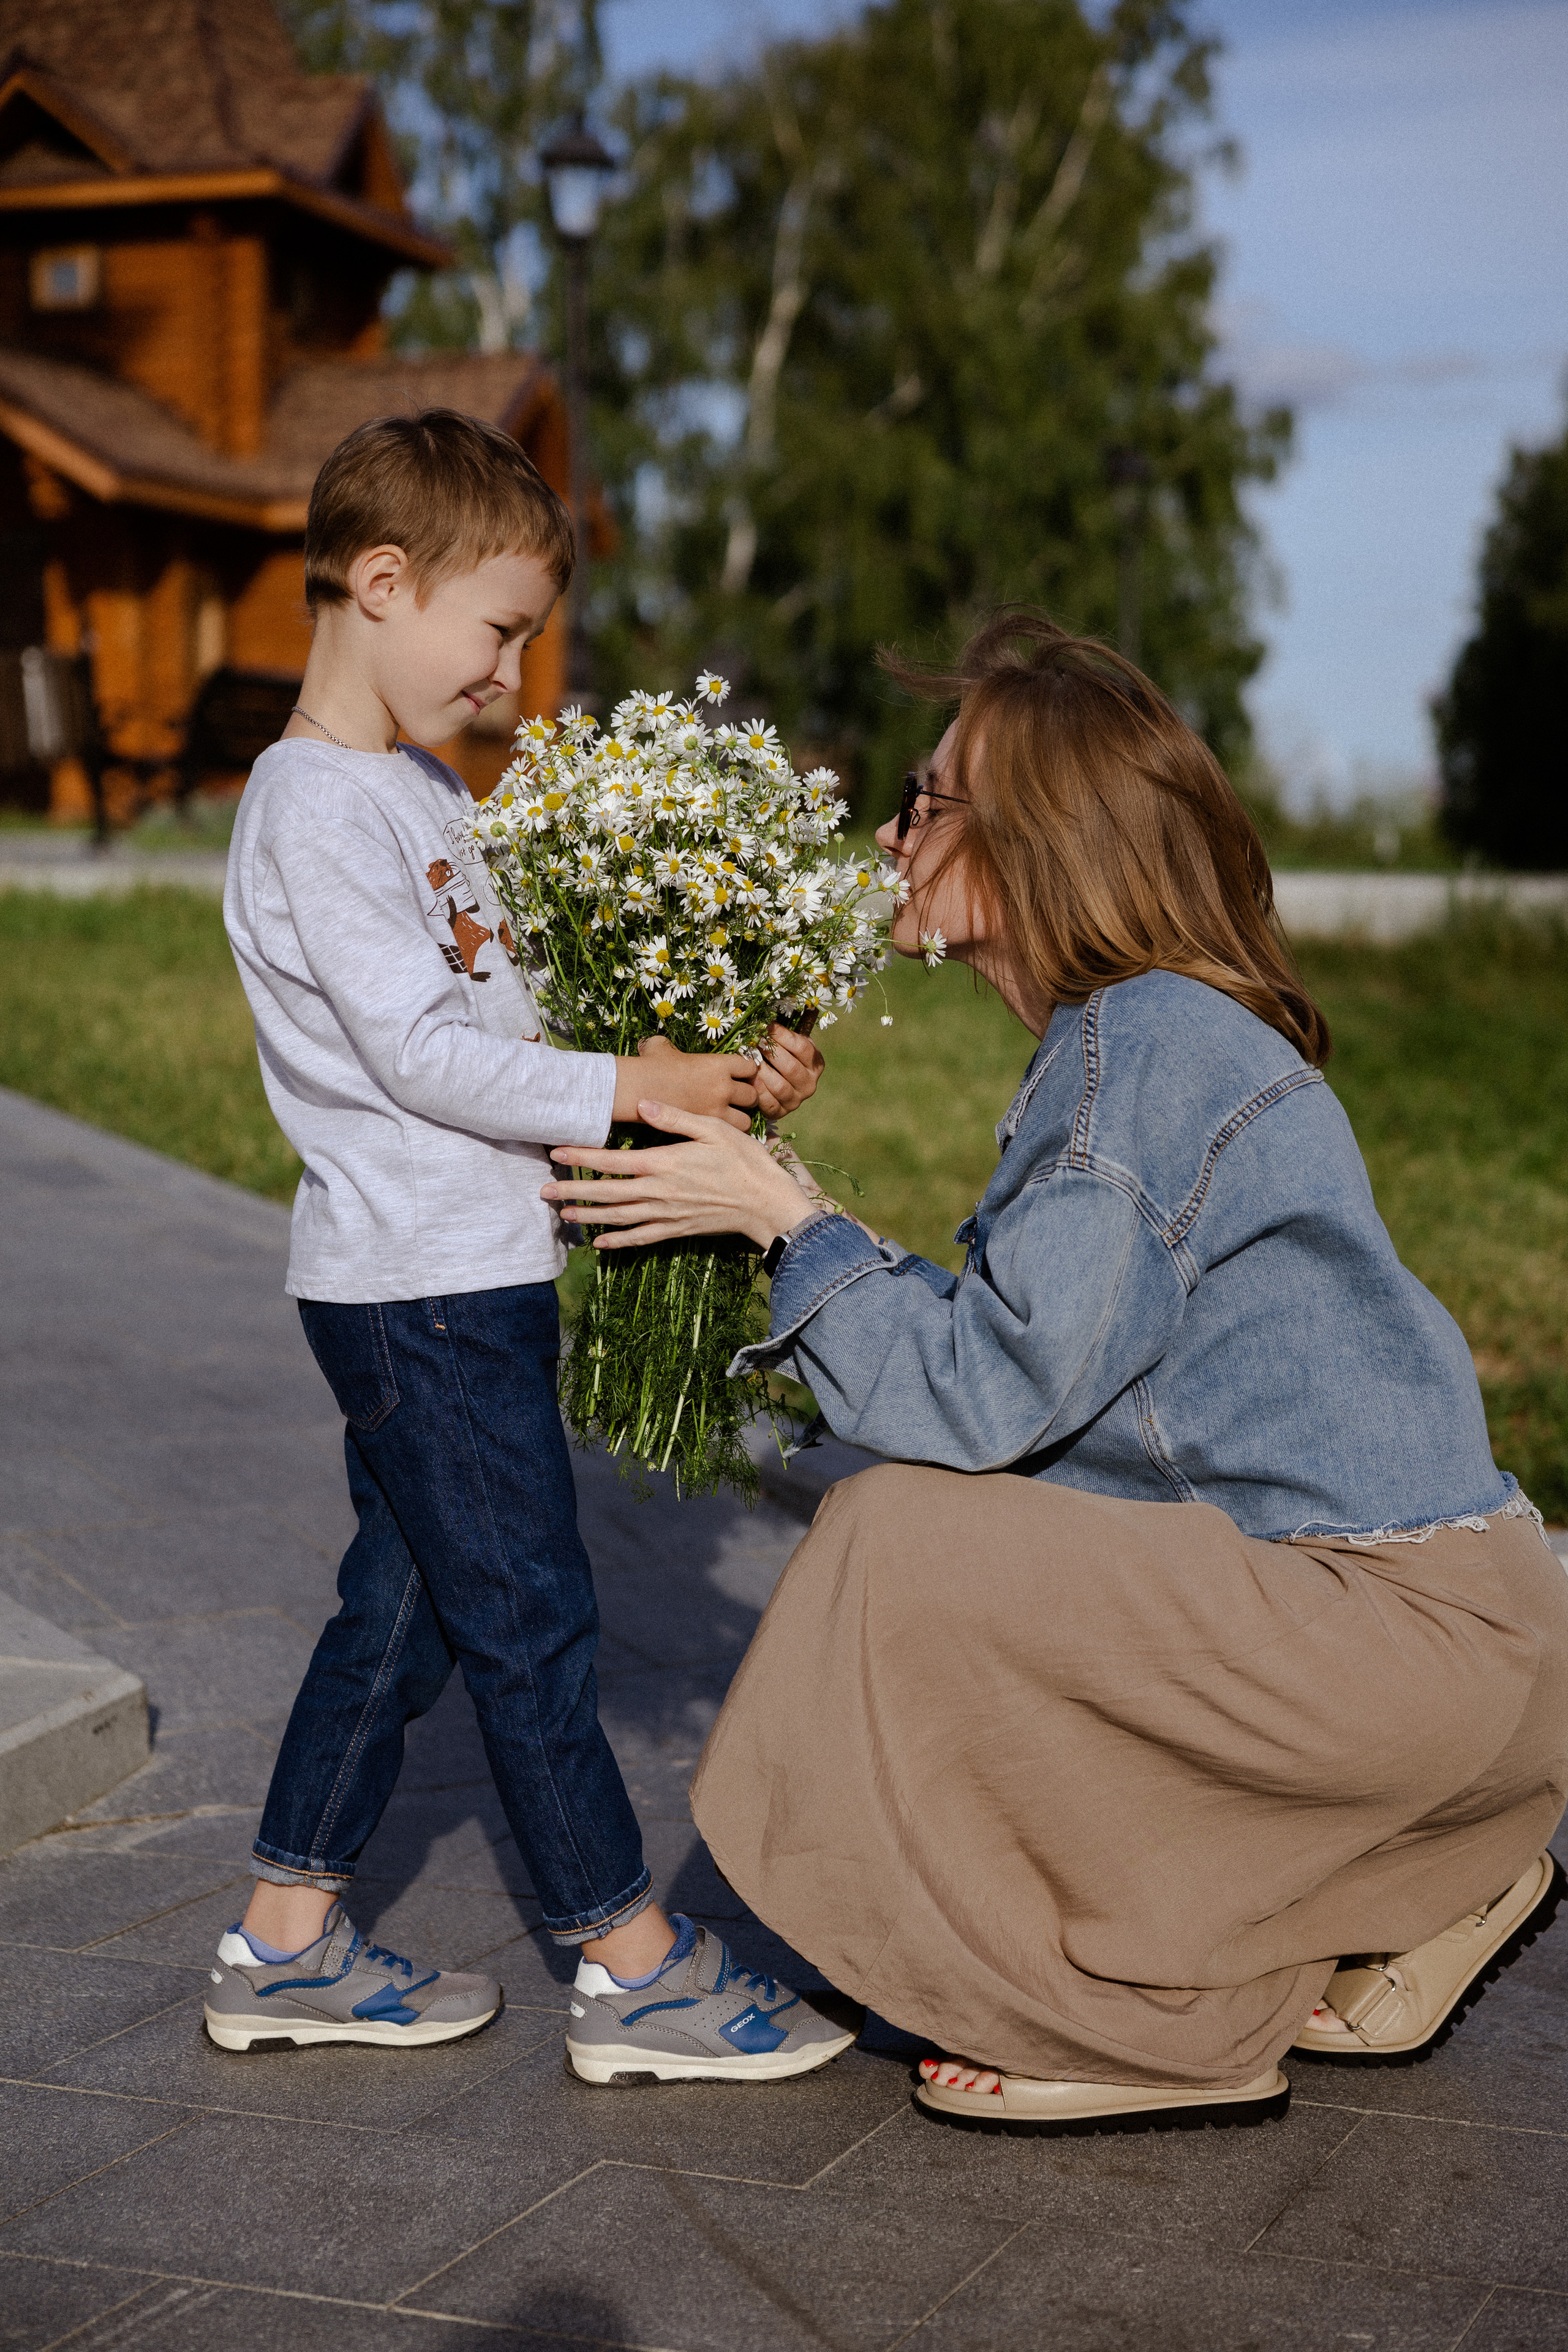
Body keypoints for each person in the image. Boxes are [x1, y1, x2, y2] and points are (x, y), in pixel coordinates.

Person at [542, 611, 1568, 2135]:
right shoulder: (1144, 1037)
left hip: (1397, 1647)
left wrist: (788, 1217)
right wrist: (788, 1212)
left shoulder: (1137, 1045)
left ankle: (1154, 2023)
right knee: (939, 1527)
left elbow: (979, 1402)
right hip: (1442, 1643)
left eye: (927, 796)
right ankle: (1411, 1879)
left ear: (1029, 842)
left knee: (897, 1544)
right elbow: (1048, 1377)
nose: (892, 829)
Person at [211, 409, 853, 2087]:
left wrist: (707, 1059)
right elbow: (422, 1055)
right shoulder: (311, 809)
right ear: (380, 584)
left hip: (460, 1273)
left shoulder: (417, 791)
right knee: (534, 1619)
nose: (509, 672)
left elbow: (511, 1015)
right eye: (495, 629)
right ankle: (623, 1956)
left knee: (411, 1611)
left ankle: (284, 1941)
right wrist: (622, 1080)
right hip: (416, 1289)